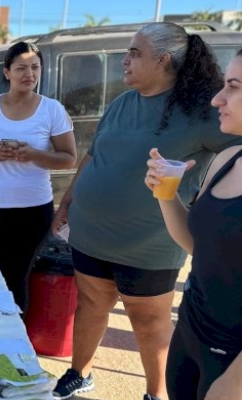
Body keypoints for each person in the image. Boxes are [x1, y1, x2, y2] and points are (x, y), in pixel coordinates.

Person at [50, 22, 242, 400]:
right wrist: (67, 203)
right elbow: (93, 155)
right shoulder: (123, 102)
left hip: (148, 245)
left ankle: (156, 394)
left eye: (135, 52)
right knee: (90, 304)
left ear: (163, 60)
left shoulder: (202, 112)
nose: (125, 60)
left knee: (149, 324)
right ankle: (79, 372)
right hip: (91, 234)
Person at [144, 50, 242, 400]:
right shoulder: (228, 158)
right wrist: (165, 193)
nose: (217, 99)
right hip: (191, 333)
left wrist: (234, 383)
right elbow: (198, 247)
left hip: (232, 360)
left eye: (233, 86)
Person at [0, 42, 77, 313]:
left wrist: (34, 155)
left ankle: (14, 335)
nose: (29, 74)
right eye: (21, 68)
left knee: (16, 279)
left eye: (35, 67)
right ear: (7, 72)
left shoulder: (52, 109)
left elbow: (69, 158)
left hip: (33, 210)